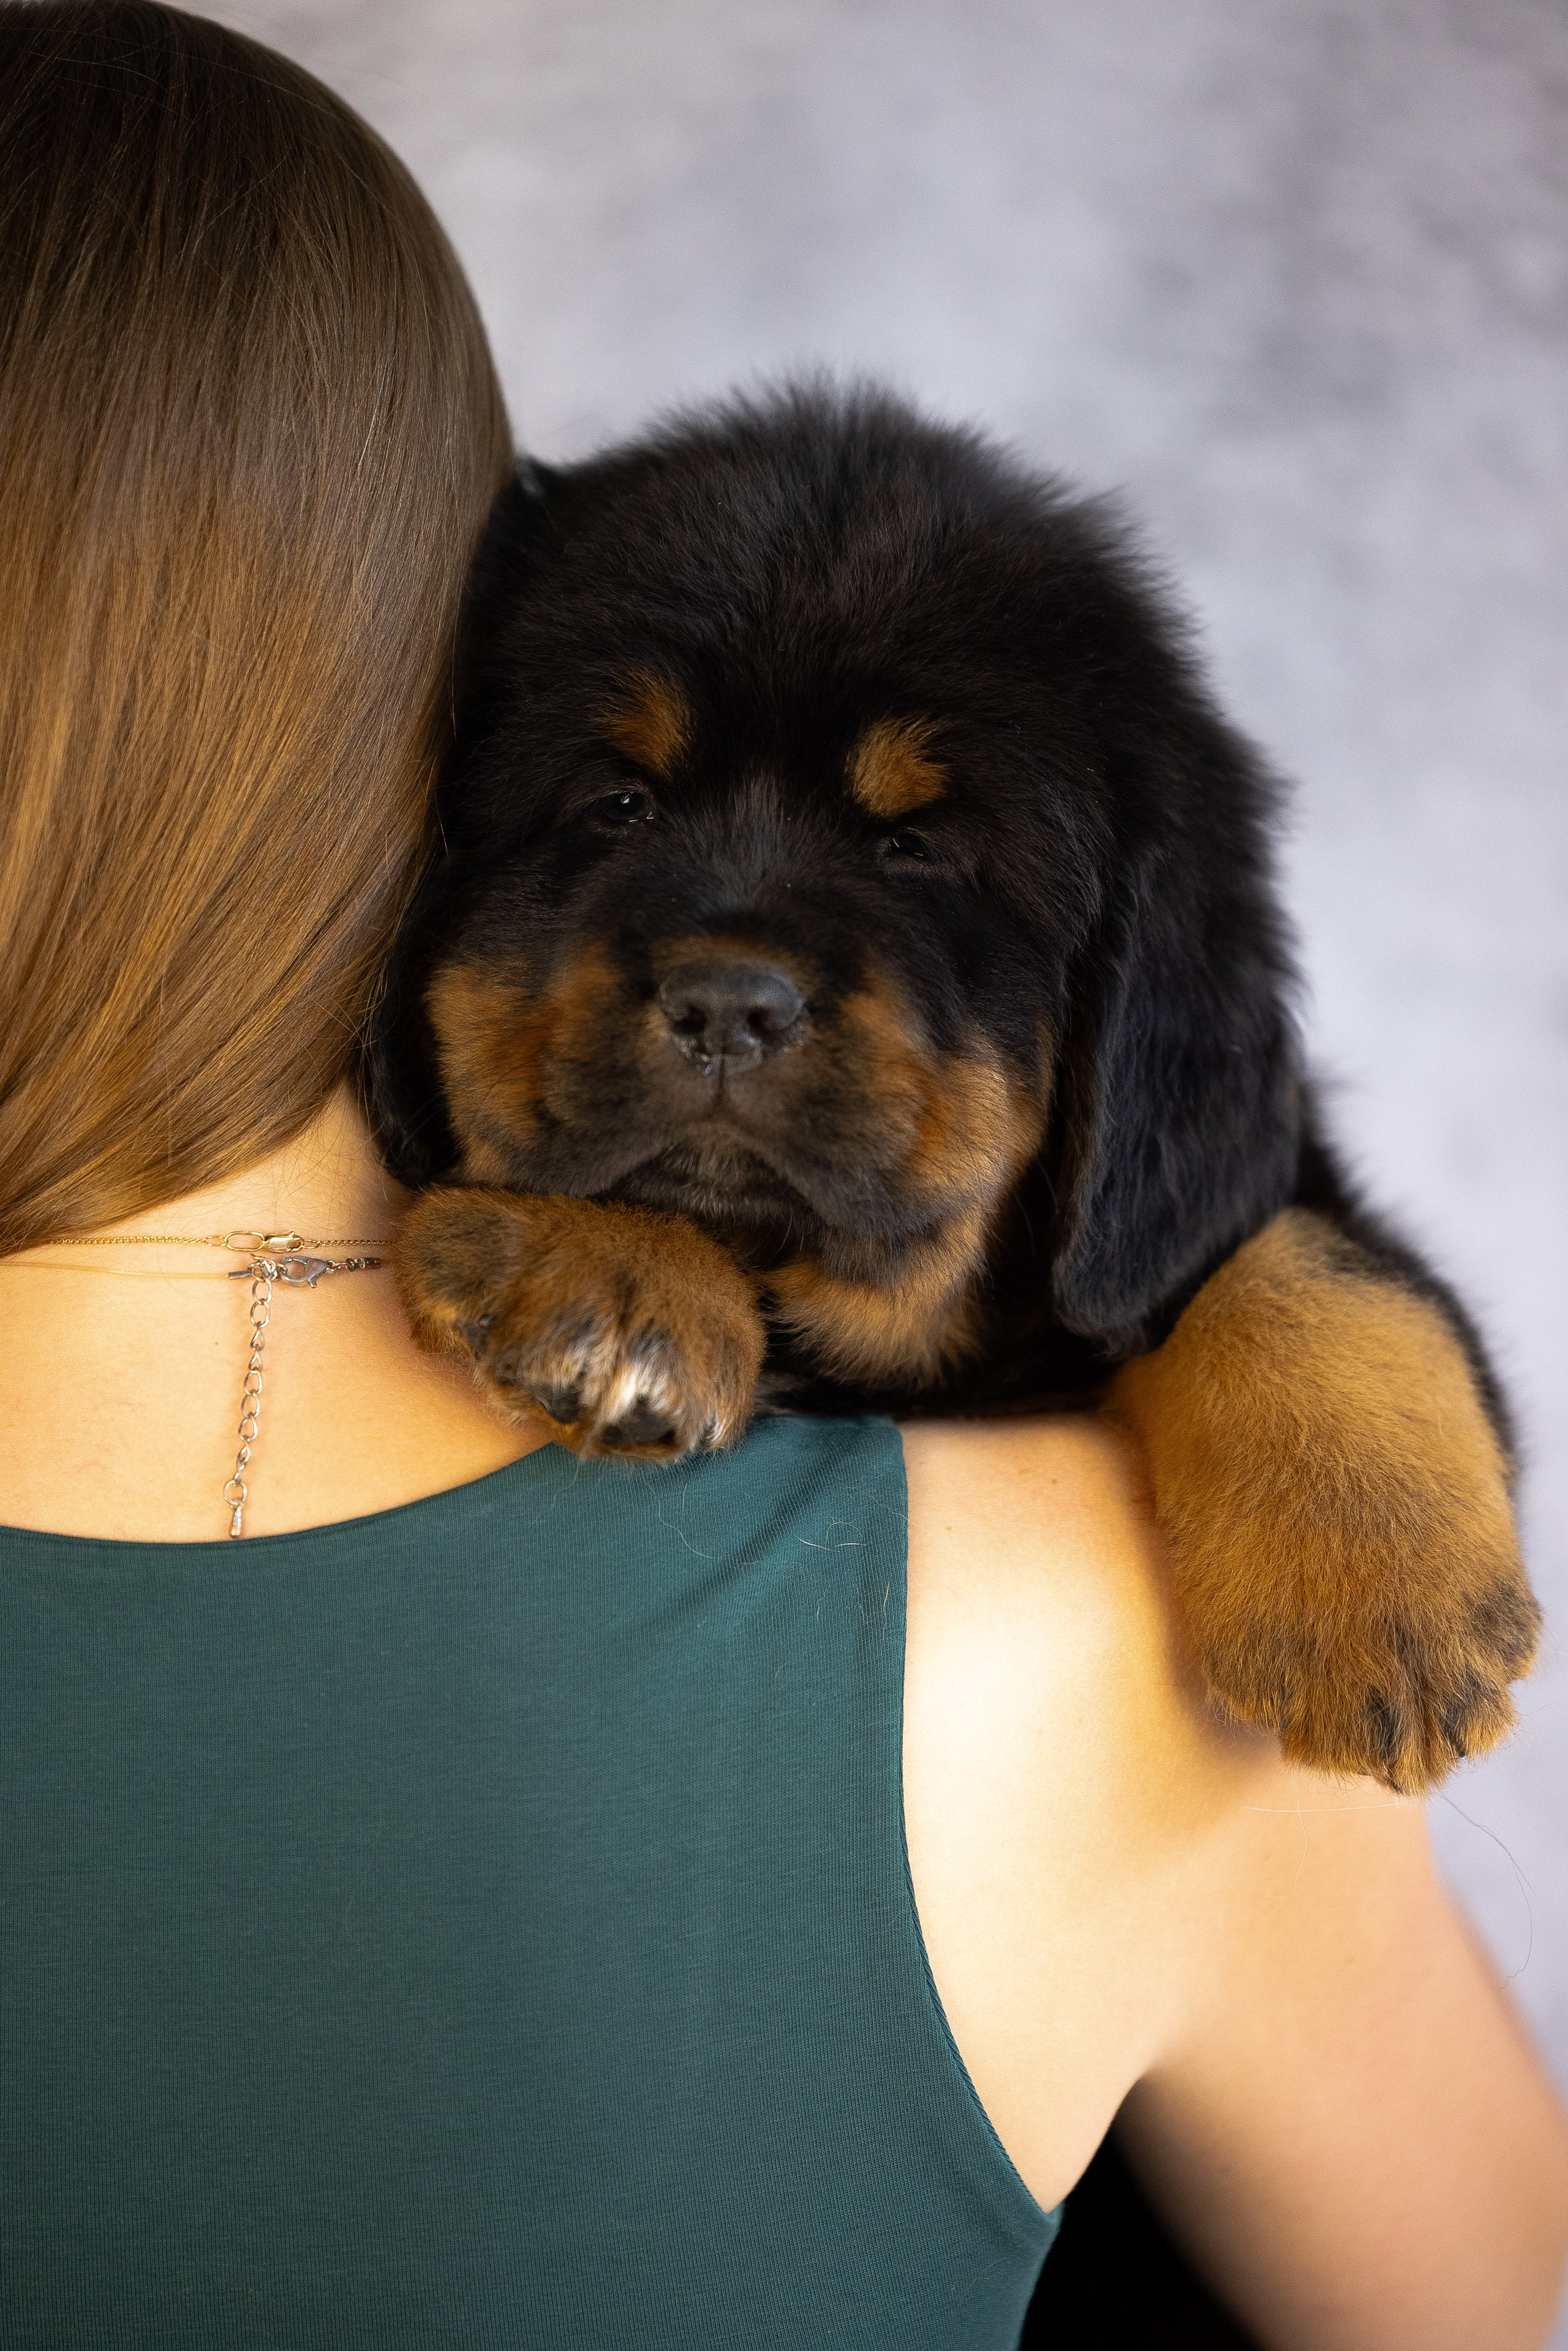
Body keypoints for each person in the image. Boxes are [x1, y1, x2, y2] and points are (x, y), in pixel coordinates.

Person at [1, 7, 1564, 2348]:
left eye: (924, 861)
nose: (730, 978)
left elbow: (1212, 1202)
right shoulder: (1074, 1665)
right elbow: (1485, 2297)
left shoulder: (1146, 1450)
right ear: (384, 737)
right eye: (609, 816)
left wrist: (1270, 1325)